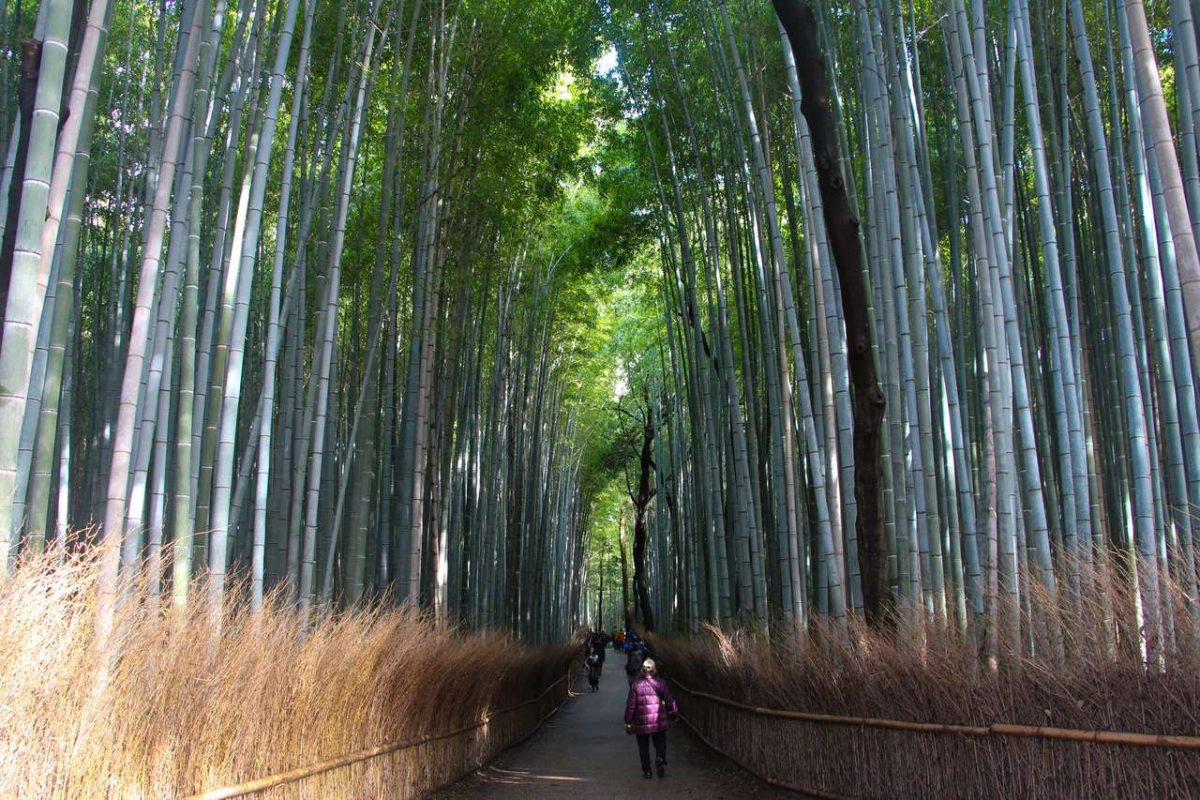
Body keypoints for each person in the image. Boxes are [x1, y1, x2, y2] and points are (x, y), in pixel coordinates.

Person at [623, 658, 678, 779]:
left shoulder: (636, 685)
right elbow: (670, 700)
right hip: (658, 721)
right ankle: (659, 757)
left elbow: (631, 705)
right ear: (654, 670)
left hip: (641, 722)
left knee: (643, 748)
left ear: (642, 671)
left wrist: (628, 721)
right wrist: (674, 712)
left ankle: (647, 771)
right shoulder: (661, 683)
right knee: (660, 742)